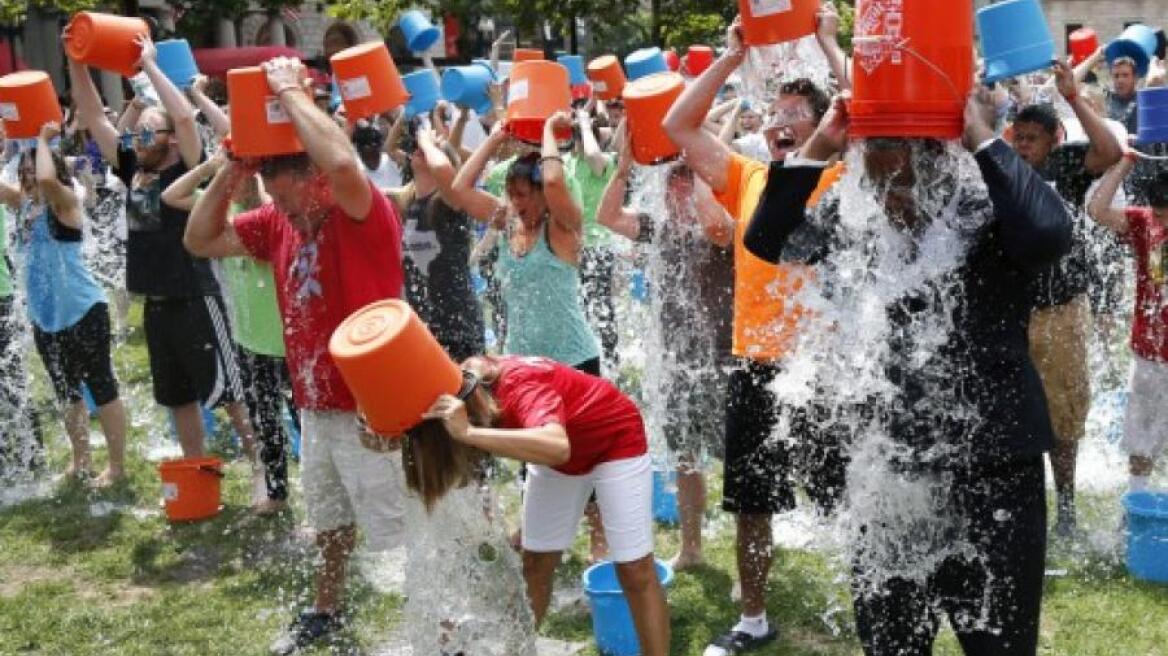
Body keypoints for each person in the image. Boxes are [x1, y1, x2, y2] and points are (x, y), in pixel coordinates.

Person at [743, 82, 1072, 656]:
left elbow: (1048, 233)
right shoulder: (859, 221)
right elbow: (769, 239)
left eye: (903, 179)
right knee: (892, 646)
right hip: (890, 476)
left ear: (940, 162)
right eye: (878, 178)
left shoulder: (986, 212)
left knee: (1001, 647)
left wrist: (979, 136)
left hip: (993, 472)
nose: (892, 195)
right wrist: (820, 143)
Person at [183, 56, 407, 654]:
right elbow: (199, 237)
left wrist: (287, 89)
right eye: (276, 203)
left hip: (375, 404)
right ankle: (326, 605)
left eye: (289, 200)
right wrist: (232, 165)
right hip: (315, 401)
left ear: (317, 182)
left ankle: (430, 615)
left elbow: (340, 160)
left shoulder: (363, 211)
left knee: (399, 527)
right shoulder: (280, 224)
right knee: (330, 517)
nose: (282, 214)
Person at [663, 18, 845, 655]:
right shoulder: (746, 175)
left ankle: (872, 595)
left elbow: (863, 112)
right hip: (755, 363)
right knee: (752, 501)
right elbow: (677, 129)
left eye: (797, 112)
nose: (780, 119)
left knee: (844, 494)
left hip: (824, 369)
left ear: (822, 126)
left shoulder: (837, 174)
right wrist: (730, 56)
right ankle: (753, 618)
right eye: (776, 110)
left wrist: (827, 45)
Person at [408, 355, 670, 656]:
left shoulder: (521, 386)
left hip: (614, 441)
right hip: (558, 457)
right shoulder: (460, 386)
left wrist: (468, 434)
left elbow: (557, 446)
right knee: (535, 565)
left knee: (634, 569)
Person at [68, 33, 250, 459]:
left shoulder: (188, 163)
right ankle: (197, 469)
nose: (137, 138)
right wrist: (77, 61)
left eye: (148, 132)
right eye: (138, 133)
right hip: (157, 302)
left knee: (230, 394)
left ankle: (265, 470)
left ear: (169, 139)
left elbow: (185, 118)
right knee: (177, 397)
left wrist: (150, 65)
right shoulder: (132, 166)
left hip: (195, 295)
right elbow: (94, 115)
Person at [597, 130, 734, 570]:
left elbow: (715, 222)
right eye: (672, 181)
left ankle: (742, 551)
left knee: (735, 461)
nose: (676, 189)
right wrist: (622, 167)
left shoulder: (720, 227)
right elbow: (607, 216)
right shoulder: (657, 230)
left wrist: (697, 165)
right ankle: (691, 548)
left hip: (722, 360)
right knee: (686, 457)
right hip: (677, 361)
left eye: (685, 180)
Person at [1008, 61, 1123, 537]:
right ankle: (1023, 508)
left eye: (1033, 138)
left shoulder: (1067, 165)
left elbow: (1112, 150)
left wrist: (1073, 97)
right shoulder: (1002, 169)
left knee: (1064, 413)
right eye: (1019, 137)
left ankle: (1068, 508)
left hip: (1062, 310)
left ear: (1054, 139)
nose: (1024, 146)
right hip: (1014, 312)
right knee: (1015, 412)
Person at [162, 152, 294, 514]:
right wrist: (212, 169)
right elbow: (171, 197)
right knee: (266, 421)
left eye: (252, 175)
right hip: (250, 338)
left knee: (303, 420)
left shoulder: (273, 213)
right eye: (238, 176)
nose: (244, 183)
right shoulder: (224, 213)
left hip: (287, 340)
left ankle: (323, 492)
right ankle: (278, 493)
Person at [0, 122, 128, 486]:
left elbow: (45, 181)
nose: (27, 179)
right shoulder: (22, 208)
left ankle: (116, 466)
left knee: (102, 387)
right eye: (22, 174)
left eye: (32, 171)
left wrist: (41, 139)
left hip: (83, 310)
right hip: (47, 318)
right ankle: (81, 460)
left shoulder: (66, 202)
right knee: (66, 392)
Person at [1087, 156, 1168, 497]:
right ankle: (1136, 501)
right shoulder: (1143, 222)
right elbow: (1097, 210)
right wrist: (1125, 163)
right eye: (1159, 213)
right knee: (1141, 437)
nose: (1162, 220)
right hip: (1150, 352)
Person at [384, 126, 484, 361]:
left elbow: (441, 168)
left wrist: (426, 141)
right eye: (419, 148)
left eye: (436, 148)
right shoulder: (405, 202)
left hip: (459, 326)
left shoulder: (450, 201)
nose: (422, 149)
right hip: (423, 330)